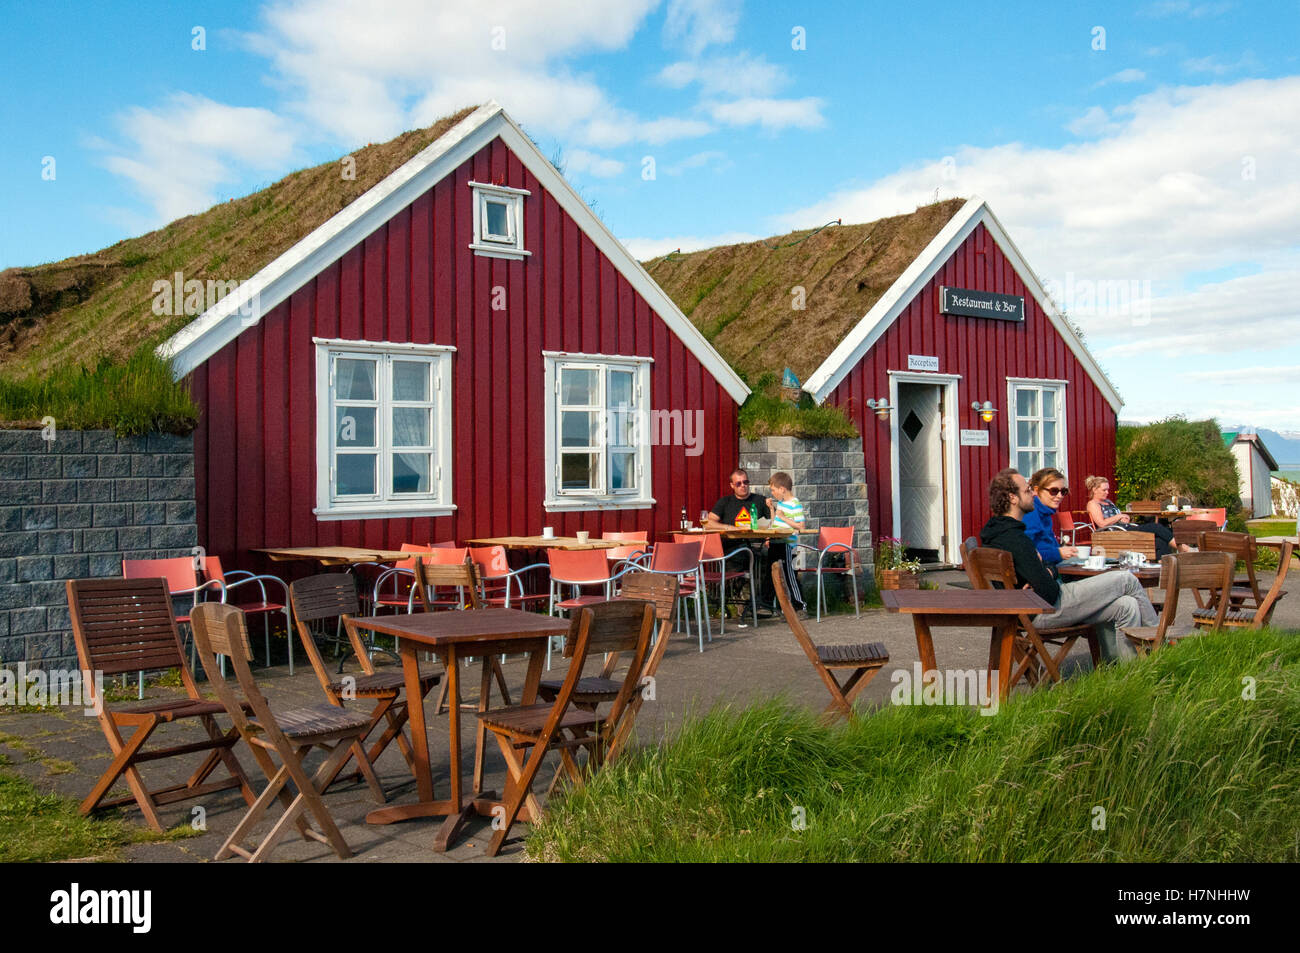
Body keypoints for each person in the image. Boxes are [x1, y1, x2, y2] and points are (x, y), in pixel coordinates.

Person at [980, 468, 1156, 663]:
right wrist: (1047, 572)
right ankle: (1160, 647)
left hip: (1028, 609)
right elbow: (1049, 591)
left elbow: (1040, 573)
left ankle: (1126, 671)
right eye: (1028, 490)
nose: (1032, 493)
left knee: (1127, 605)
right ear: (1013, 498)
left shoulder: (997, 532)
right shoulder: (1015, 539)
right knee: (1126, 578)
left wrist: (1045, 569)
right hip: (1044, 609)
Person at [707, 468, 775, 613]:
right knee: (744, 556)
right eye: (738, 483)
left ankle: (760, 603)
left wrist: (769, 537)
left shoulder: (760, 500)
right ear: (732, 485)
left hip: (757, 544)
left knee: (770, 556)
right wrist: (729, 527)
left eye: (745, 482)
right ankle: (741, 598)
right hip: (732, 547)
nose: (743, 485)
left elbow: (773, 523)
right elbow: (709, 522)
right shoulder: (725, 502)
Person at [1083, 475, 1179, 556]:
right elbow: (1101, 524)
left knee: (1159, 541)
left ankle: (1163, 568)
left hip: (1125, 529)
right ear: (1095, 490)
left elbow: (1117, 517)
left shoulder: (1107, 502)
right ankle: (1183, 549)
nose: (1107, 492)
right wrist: (1118, 517)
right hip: (1116, 534)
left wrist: (1125, 517)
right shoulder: (1093, 504)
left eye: (1108, 490)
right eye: (1104, 490)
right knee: (1155, 527)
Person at [764, 471, 807, 613]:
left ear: (782, 489)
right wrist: (772, 509)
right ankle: (772, 605)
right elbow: (775, 522)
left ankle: (799, 605)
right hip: (776, 542)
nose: (773, 493)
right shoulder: (781, 504)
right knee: (771, 574)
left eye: (773, 490)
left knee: (790, 576)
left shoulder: (795, 504)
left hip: (788, 544)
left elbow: (801, 526)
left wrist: (783, 518)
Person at [1024, 467, 1078, 568]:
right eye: (1054, 491)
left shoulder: (1045, 512)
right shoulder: (1031, 513)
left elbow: (1049, 546)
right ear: (1037, 490)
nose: (1059, 496)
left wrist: (1062, 550)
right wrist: (1058, 553)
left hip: (1052, 568)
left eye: (1063, 491)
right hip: (1044, 575)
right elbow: (1025, 553)